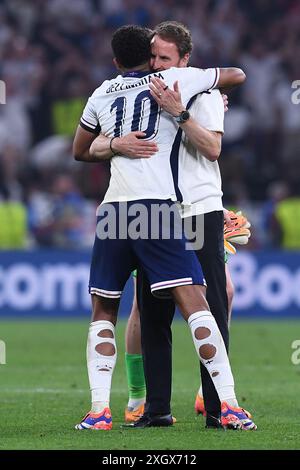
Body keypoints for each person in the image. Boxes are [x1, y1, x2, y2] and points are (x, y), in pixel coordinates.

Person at [73, 24, 256, 432]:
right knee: (159, 309)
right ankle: (152, 406)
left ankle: (215, 405)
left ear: (185, 60)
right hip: (161, 210)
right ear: (144, 56)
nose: (157, 65)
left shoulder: (182, 92)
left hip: (184, 210)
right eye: (153, 57)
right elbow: (98, 146)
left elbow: (211, 147)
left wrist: (181, 111)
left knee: (205, 300)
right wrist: (117, 144)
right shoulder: (170, 81)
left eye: (165, 59)